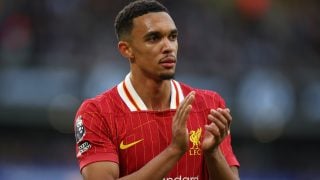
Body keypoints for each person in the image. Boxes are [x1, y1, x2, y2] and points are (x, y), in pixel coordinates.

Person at [74, 0, 240, 179]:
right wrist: (174, 151)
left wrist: (213, 153)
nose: (168, 47)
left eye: (172, 37)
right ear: (127, 49)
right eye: (154, 38)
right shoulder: (97, 113)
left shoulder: (209, 105)